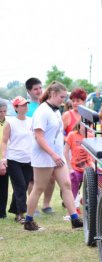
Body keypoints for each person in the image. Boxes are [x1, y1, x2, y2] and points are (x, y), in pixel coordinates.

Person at [24, 81, 83, 231]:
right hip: (44, 156)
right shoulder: (42, 111)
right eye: (61, 97)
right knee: (39, 188)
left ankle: (74, 219)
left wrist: (59, 154)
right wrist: (53, 154)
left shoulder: (56, 110)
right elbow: (39, 137)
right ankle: (28, 221)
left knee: (67, 185)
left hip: (57, 155)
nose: (64, 100)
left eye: (64, 97)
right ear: (52, 94)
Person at [25, 77, 55, 215]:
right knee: (34, 180)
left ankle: (46, 204)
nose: (38, 91)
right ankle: (34, 207)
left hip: (51, 148)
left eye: (40, 88)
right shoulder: (26, 108)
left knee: (51, 178)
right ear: (29, 91)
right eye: (35, 89)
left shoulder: (48, 104)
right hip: (33, 148)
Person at [0, 96, 33, 224]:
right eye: (22, 105)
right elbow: (4, 141)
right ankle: (21, 214)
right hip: (14, 159)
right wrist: (4, 157)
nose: (25, 107)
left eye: (26, 104)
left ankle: (15, 209)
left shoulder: (31, 121)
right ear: (15, 108)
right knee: (19, 186)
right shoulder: (10, 122)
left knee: (23, 186)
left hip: (29, 159)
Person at [64, 121, 94, 219]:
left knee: (95, 184)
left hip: (88, 167)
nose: (85, 127)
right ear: (79, 125)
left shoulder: (91, 136)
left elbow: (94, 155)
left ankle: (87, 204)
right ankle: (70, 212)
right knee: (73, 183)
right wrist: (69, 168)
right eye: (83, 125)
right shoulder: (72, 135)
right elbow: (65, 152)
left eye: (87, 125)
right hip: (75, 167)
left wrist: (93, 165)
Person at [0, 102, 8, 219]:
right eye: (0, 111)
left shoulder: (9, 123)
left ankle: (2, 212)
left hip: (7, 158)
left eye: (4, 111)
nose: (2, 114)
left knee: (4, 187)